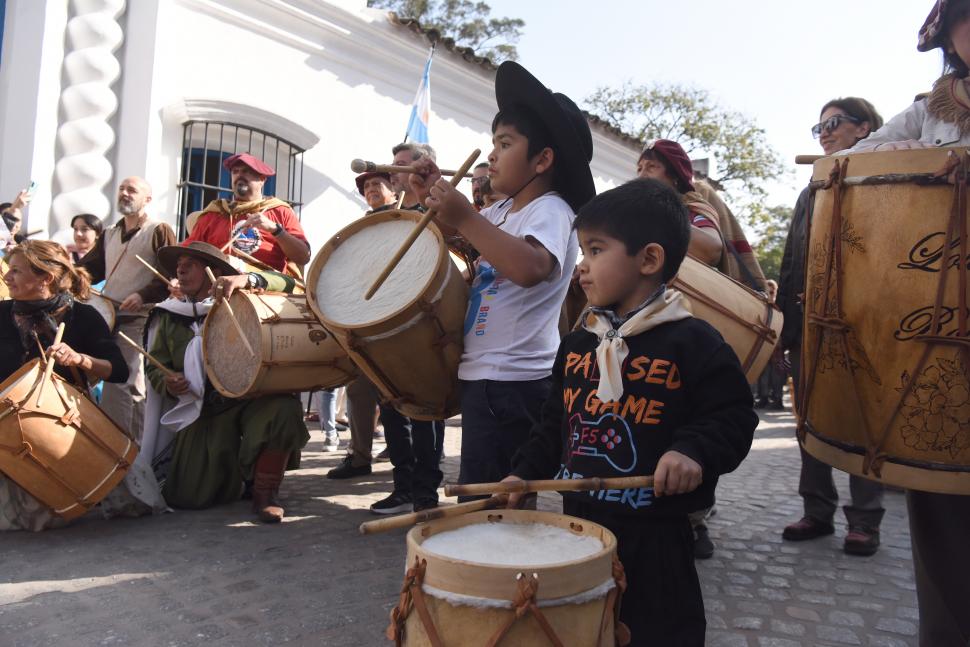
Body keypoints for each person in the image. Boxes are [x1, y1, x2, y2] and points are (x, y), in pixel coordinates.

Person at [505, 179, 757, 645]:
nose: (581, 267)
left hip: (657, 538)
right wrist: (523, 474)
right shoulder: (580, 342)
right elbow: (553, 424)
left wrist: (692, 452)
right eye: (582, 251)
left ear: (649, 259)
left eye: (596, 250)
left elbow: (734, 417)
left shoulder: (693, 342)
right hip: (578, 531)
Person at [840, 1, 970, 642]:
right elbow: (857, 162)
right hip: (940, 326)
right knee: (943, 499)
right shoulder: (929, 109)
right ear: (949, 34)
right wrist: (908, 158)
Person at [410, 61, 594, 498]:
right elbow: (461, 231)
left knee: (499, 502)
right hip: (486, 377)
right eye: (493, 142)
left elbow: (530, 267)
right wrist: (432, 196)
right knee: (482, 494)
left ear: (543, 160)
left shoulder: (550, 210)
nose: (491, 154)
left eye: (505, 143)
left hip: (517, 383)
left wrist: (465, 217)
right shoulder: (498, 212)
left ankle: (505, 566)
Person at [777, 96, 886, 556]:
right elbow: (792, 262)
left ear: (863, 129)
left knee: (863, 421)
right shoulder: (810, 192)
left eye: (835, 123)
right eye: (818, 127)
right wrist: (786, 327)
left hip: (863, 324)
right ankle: (817, 511)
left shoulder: (880, 184)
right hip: (810, 326)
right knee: (811, 422)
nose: (824, 133)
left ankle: (865, 521)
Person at [0, 241, 162, 531]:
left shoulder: (82, 317)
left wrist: (80, 359)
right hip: (8, 426)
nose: (6, 276)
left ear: (44, 278)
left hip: (67, 423)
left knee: (128, 503)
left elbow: (119, 371)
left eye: (15, 271)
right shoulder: (1, 315)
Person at [143, 241, 308, 523]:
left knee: (283, 409)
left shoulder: (244, 301)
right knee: (189, 497)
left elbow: (291, 285)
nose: (180, 272)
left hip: (251, 400)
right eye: (178, 267)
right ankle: (239, 475)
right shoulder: (168, 315)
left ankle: (265, 494)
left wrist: (249, 278)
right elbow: (154, 365)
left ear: (214, 271)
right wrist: (168, 380)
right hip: (204, 408)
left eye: (189, 266)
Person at [78, 177, 177, 443]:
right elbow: (89, 268)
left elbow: (170, 273)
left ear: (148, 199)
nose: (124, 193)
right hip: (107, 316)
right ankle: (109, 444)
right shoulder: (110, 232)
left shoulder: (159, 229)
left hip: (140, 317)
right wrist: (65, 275)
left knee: (126, 383)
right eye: (121, 188)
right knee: (104, 377)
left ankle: (128, 450)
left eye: (132, 190)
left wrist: (142, 294)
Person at [184, 153, 310, 273]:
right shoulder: (215, 213)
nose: (239, 175)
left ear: (262, 179)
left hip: (265, 289)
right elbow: (187, 254)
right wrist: (177, 278)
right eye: (235, 171)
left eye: (246, 171)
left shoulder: (280, 211)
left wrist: (276, 230)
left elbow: (303, 257)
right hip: (216, 286)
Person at [753, 279, 786, 409]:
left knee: (777, 373)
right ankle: (763, 397)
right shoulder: (762, 304)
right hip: (764, 343)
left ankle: (778, 398)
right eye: (769, 291)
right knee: (763, 373)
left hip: (777, 344)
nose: (771, 294)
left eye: (773, 291)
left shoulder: (779, 306)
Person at [391, 142, 436, 211]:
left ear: (425, 170)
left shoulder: (441, 213)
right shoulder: (380, 213)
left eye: (400, 165)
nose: (390, 172)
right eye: (392, 166)